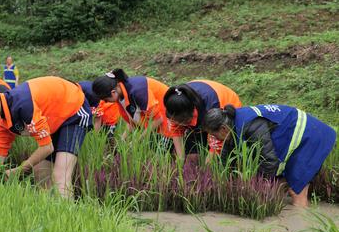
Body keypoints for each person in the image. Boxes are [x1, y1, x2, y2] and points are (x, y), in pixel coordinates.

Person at [0, 76, 92, 199]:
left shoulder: (24, 105)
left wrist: (20, 169)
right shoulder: (4, 120)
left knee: (60, 175)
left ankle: (67, 217)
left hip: (74, 110)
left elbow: (47, 147)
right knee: (40, 173)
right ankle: (52, 213)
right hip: (56, 119)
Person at [202, 104, 337, 207]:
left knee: (296, 190)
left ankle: (301, 225)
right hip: (293, 138)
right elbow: (227, 161)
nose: (215, 139)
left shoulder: (250, 125)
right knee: (277, 189)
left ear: (223, 129)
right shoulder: (232, 127)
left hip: (310, 136)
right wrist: (226, 183)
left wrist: (255, 187)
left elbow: (269, 161)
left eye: (214, 135)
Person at [164, 80, 242, 160]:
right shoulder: (174, 105)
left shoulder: (212, 105)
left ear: (191, 114)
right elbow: (176, 130)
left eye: (183, 122)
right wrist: (181, 158)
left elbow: (217, 143)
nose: (178, 124)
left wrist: (205, 168)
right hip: (198, 115)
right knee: (192, 157)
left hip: (224, 113)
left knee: (221, 158)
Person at [91, 69, 173, 140]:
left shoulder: (138, 92)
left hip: (169, 115)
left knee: (168, 151)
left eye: (106, 99)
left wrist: (139, 140)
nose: (106, 102)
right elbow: (133, 118)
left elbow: (158, 119)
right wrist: (123, 139)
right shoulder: (121, 94)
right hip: (156, 122)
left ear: (113, 92)